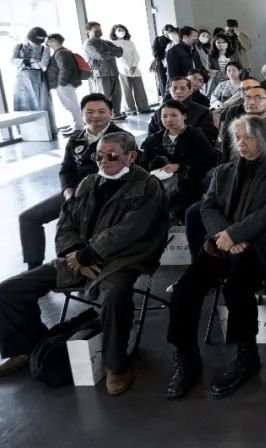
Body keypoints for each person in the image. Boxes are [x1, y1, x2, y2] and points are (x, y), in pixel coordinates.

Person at [0, 132, 168, 394]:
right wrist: (75, 252)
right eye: (98, 155)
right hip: (77, 258)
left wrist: (89, 253)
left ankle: (116, 365)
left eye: (111, 155)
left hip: (123, 260)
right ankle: (26, 347)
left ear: (130, 157)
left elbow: (130, 230)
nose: (103, 160)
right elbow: (66, 223)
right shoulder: (88, 182)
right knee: (9, 289)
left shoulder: (147, 186)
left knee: (115, 297)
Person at [165, 117, 266, 400]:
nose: (241, 143)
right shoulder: (224, 171)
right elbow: (207, 206)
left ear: (263, 138)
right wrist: (223, 235)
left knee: (237, 288)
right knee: (185, 290)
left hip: (262, 247)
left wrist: (236, 235)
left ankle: (246, 354)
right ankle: (187, 357)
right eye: (237, 138)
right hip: (222, 243)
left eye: (247, 137)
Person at [18, 94, 130, 270]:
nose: (95, 116)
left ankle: (77, 266)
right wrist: (68, 191)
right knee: (29, 218)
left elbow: (117, 171)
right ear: (82, 113)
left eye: (101, 111)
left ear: (111, 113)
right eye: (90, 112)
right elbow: (66, 169)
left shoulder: (121, 139)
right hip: (74, 194)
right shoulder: (76, 138)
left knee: (74, 226)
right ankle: (34, 267)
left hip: (104, 197)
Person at [140, 99, 216, 222]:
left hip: (189, 181)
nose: (169, 120)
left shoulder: (195, 135)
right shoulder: (155, 139)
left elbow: (208, 160)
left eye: (174, 115)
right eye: (164, 116)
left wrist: (180, 166)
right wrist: (156, 166)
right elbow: (144, 162)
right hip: (160, 180)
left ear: (184, 116)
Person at [218, 85, 266, 162]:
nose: (251, 102)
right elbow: (226, 154)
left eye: (258, 98)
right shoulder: (235, 128)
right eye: (247, 98)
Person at [148, 76, 218, 144]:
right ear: (170, 91)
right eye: (174, 88)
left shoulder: (203, 112)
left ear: (190, 91)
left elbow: (207, 140)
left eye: (183, 88)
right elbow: (151, 137)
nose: (178, 91)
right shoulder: (159, 111)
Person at [84, 21, 126, 120]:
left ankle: (116, 114)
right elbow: (101, 56)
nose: (99, 30)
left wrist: (109, 52)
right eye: (96, 29)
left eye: (100, 28)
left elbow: (120, 52)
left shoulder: (105, 42)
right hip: (100, 73)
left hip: (113, 71)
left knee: (117, 95)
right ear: (88, 31)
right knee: (103, 97)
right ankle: (104, 117)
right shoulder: (88, 43)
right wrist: (112, 51)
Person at [105, 24, 151, 115]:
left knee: (139, 88)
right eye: (118, 30)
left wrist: (134, 65)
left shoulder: (130, 42)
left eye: (122, 29)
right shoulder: (112, 43)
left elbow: (136, 55)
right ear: (114, 32)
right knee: (127, 90)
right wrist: (128, 67)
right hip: (123, 69)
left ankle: (144, 107)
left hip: (135, 68)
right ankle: (130, 110)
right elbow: (119, 57)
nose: (121, 31)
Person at [44, 33, 83, 135]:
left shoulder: (61, 53)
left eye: (49, 41)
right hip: (66, 83)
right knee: (70, 105)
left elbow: (65, 69)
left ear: (55, 41)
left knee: (71, 105)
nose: (47, 44)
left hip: (65, 84)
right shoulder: (62, 52)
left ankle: (79, 127)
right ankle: (76, 125)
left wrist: (61, 83)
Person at [10, 27, 50, 122]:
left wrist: (23, 62)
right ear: (29, 38)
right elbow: (12, 61)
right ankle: (25, 129)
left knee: (39, 102)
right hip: (21, 78)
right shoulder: (19, 46)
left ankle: (42, 128)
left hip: (37, 78)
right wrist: (29, 61)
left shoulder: (45, 49)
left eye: (38, 43)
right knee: (22, 102)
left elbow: (42, 65)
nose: (36, 45)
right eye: (34, 42)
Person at [151, 25, 176, 100]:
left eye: (170, 31)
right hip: (162, 64)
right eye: (166, 32)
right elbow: (155, 53)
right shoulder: (158, 39)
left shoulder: (175, 39)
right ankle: (166, 100)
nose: (168, 34)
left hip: (174, 63)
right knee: (163, 82)